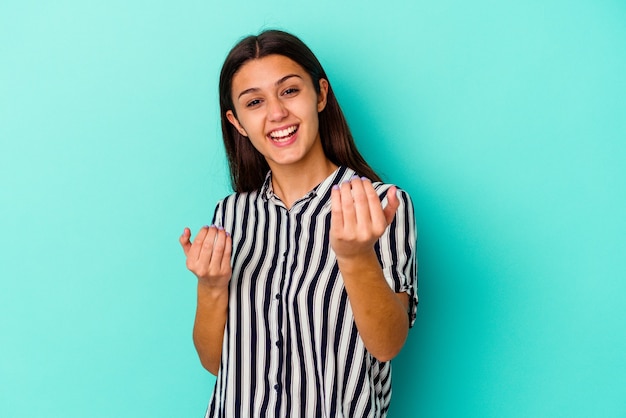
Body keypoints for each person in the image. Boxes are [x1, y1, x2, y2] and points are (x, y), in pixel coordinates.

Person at [180, 29, 417, 417]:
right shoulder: (230, 215)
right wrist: (210, 287)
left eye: (289, 91)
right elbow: (217, 363)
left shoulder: (381, 205)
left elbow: (388, 344)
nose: (276, 114)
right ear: (237, 122)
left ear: (320, 94)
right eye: (254, 102)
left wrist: (356, 257)